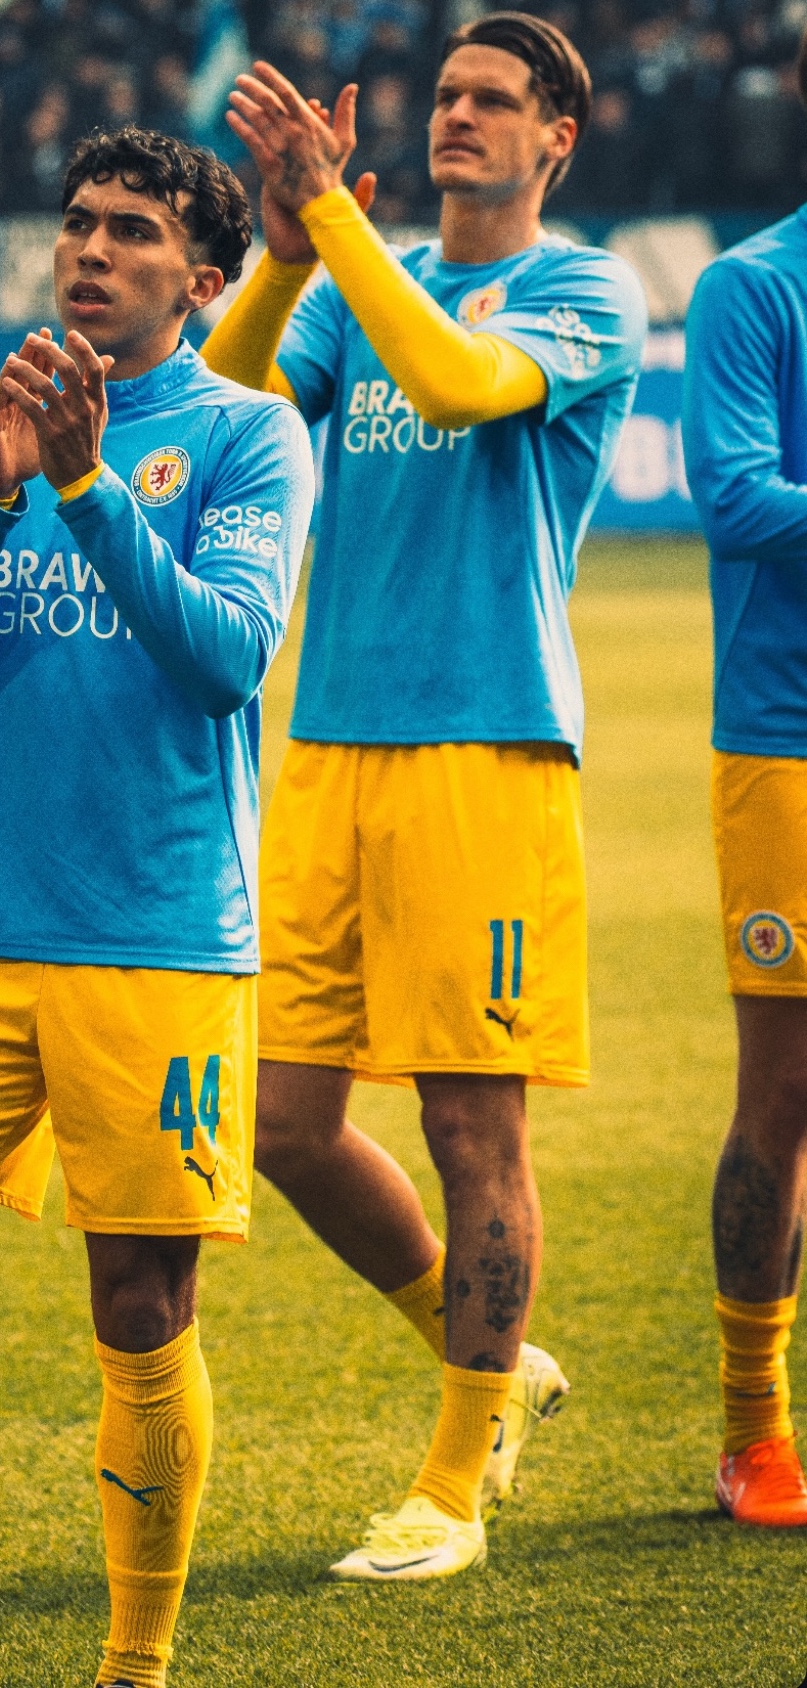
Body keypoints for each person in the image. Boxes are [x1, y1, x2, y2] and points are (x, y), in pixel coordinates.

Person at [0, 125, 313, 1688]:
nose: (92, 250)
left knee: (140, 1300)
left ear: (206, 278)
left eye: (132, 231)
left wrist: (89, 487)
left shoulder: (248, 437)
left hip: (156, 940)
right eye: (79, 223)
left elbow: (224, 660)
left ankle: (133, 1669)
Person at [202, 12, 646, 1579]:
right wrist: (280, 258)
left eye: (492, 100)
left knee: (470, 1126)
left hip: (484, 749)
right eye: (446, 94)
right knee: (280, 1123)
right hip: (329, 742)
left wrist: (331, 222)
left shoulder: (586, 291)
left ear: (554, 138)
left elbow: (454, 385)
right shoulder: (350, 272)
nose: (457, 116)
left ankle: (452, 1488)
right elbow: (228, 398)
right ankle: (496, 1365)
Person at [683, 26, 807, 1531]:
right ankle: (752, 1424)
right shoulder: (753, 285)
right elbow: (731, 497)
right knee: (783, 1089)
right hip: (789, 741)